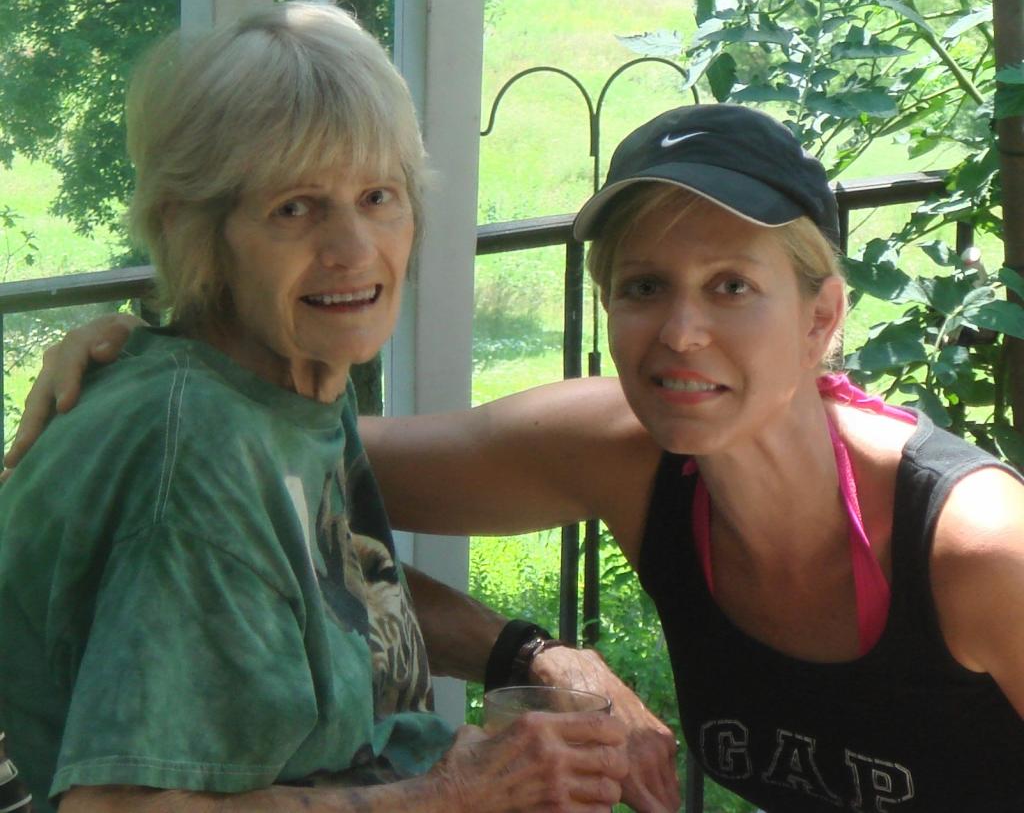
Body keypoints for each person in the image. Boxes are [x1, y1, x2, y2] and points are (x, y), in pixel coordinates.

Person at [12, 103, 1024, 811]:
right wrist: (149, 356)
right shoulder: (625, 452)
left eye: (729, 286)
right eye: (640, 287)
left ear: (823, 315)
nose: (678, 333)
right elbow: (274, 451)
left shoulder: (979, 553)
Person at [0, 1, 655, 813]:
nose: (353, 250)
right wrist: (456, 794)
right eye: (294, 206)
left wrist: (524, 657)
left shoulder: (285, 381)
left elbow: (326, 587)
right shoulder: (202, 452)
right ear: (194, 229)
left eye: (379, 195)